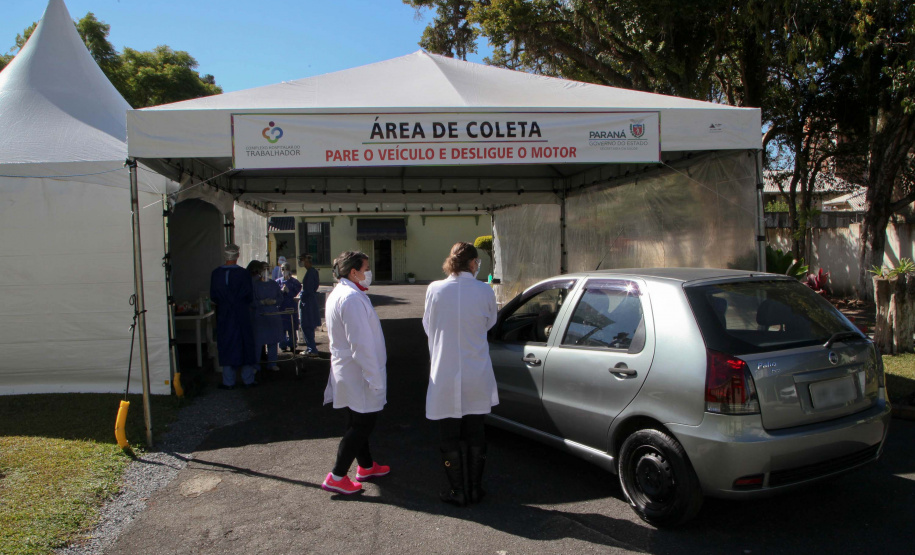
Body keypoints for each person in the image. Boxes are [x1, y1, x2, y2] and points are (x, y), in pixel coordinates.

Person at [422, 242, 499, 506]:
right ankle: (475, 489)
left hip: (444, 370)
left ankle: (457, 491)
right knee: (476, 429)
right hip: (476, 369)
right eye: (477, 262)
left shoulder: (434, 289)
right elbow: (491, 322)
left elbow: (428, 325)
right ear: (472, 263)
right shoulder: (484, 290)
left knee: (449, 432)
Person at [321, 251, 389, 494]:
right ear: (353, 272)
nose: (369, 272)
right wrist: (374, 378)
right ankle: (337, 476)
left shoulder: (342, 293)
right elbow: (361, 344)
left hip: (349, 370)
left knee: (356, 420)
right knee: (362, 424)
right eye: (366, 267)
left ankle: (366, 466)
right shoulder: (350, 298)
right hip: (358, 372)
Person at [209, 244, 258, 389]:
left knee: (226, 344)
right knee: (245, 344)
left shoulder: (216, 274)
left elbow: (214, 296)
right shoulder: (243, 274)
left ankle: (228, 381)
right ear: (237, 256)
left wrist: (225, 303)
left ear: (225, 256)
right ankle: (248, 379)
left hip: (224, 314)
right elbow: (249, 295)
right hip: (241, 313)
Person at [249, 260, 285, 373]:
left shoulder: (274, 284)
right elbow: (251, 301)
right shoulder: (255, 285)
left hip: (273, 316)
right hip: (260, 316)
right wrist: (262, 303)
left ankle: (272, 363)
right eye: (263, 268)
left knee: (273, 341)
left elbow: (280, 298)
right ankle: (256, 365)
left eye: (267, 268)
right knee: (258, 342)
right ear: (259, 270)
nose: (266, 270)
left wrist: (274, 301)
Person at [297, 253, 321, 355]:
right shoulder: (313, 272)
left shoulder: (311, 273)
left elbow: (309, 289)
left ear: (307, 261)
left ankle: (312, 349)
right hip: (310, 301)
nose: (300, 262)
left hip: (307, 303)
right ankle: (311, 347)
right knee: (309, 326)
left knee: (306, 325)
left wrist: (301, 295)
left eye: (302, 260)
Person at [276, 263, 302, 352]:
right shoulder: (278, 282)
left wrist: (289, 291)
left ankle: (292, 344)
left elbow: (297, 292)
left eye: (286, 269)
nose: (284, 271)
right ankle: (283, 345)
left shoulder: (294, 282)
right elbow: (275, 294)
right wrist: (281, 291)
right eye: (282, 269)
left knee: (292, 328)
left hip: (291, 307)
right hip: (281, 307)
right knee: (282, 328)